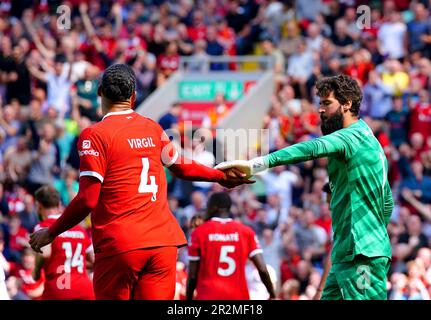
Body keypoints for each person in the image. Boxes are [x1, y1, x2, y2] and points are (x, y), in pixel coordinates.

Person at [29, 63, 252, 300]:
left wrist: (51, 232)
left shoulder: (94, 135)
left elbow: (88, 199)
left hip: (120, 246)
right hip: (162, 246)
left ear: (99, 93)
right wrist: (220, 176)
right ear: (133, 97)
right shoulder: (152, 129)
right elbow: (182, 167)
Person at [217, 74, 394, 300]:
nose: (320, 110)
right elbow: (386, 202)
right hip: (349, 253)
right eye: (320, 103)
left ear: (347, 104)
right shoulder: (370, 141)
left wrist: (256, 164)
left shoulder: (351, 137)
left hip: (362, 255)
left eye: (327, 103)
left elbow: (312, 148)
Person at [186, 192, 275, 300]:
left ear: (214, 207)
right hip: (238, 296)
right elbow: (262, 268)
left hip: (209, 295)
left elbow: (192, 275)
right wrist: (272, 294)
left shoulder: (199, 233)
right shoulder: (246, 232)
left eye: (208, 205)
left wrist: (189, 298)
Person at [32, 185, 94, 300]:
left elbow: (45, 253)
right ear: (59, 205)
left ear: (39, 206)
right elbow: (94, 259)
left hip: (60, 288)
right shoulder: (79, 229)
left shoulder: (43, 227)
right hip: (85, 289)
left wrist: (35, 272)